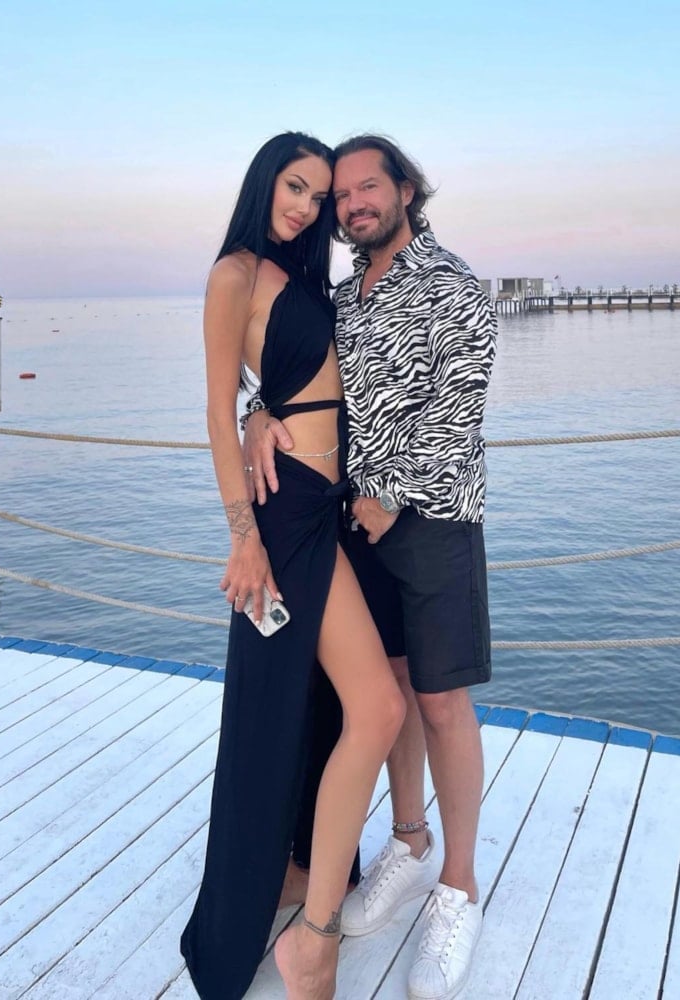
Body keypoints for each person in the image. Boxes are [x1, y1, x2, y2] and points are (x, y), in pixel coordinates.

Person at [244, 134, 497, 1000]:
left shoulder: (453, 285)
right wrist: (255, 415)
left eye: (366, 188)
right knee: (386, 687)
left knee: (441, 700)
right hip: (352, 526)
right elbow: (302, 379)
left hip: (433, 521)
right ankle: (409, 841)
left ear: (405, 191)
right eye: (340, 195)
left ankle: (458, 887)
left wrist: (389, 495)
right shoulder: (346, 294)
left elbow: (459, 407)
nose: (351, 204)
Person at [180, 132, 405, 1000]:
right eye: (295, 186)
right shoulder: (233, 272)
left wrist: (259, 412)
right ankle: (313, 939)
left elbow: (287, 382)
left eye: (318, 195)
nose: (307, 206)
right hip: (285, 517)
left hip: (327, 507)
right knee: (376, 707)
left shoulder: (304, 277)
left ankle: (294, 872)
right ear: (264, 182)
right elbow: (214, 408)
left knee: (314, 707)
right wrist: (242, 533)